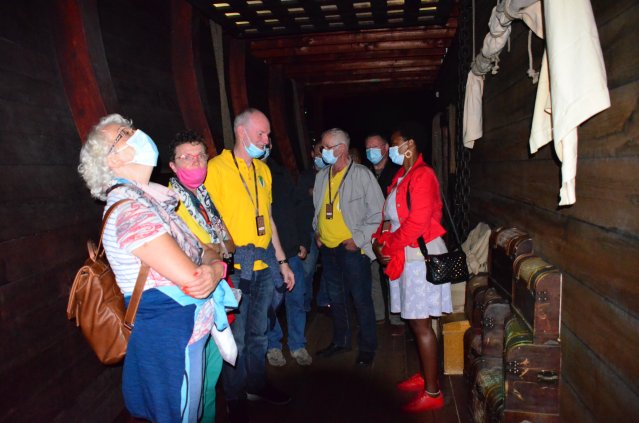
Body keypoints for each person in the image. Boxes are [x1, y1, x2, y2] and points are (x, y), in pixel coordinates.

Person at [78, 114, 228, 422]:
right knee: (179, 413)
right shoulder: (131, 211)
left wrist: (213, 263)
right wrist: (215, 268)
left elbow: (206, 249)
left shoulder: (149, 201)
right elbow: (194, 276)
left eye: (131, 127)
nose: (136, 133)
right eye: (124, 134)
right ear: (112, 160)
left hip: (180, 332)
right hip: (170, 337)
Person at [204, 108, 295, 419]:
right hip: (235, 269)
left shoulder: (263, 171)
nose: (267, 140)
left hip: (264, 267)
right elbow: (208, 224)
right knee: (237, 337)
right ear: (241, 132)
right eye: (261, 134)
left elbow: (268, 220)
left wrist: (282, 261)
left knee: (260, 334)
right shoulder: (215, 169)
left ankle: (257, 384)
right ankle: (235, 395)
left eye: (268, 134)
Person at [372, 122, 452, 412]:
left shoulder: (423, 175)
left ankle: (433, 392)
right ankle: (426, 375)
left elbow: (417, 222)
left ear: (410, 145)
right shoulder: (402, 176)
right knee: (417, 323)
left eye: (394, 144)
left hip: (420, 257)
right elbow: (390, 218)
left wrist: (390, 246)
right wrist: (378, 241)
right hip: (407, 256)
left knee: (421, 325)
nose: (391, 150)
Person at [167, 130, 237, 422]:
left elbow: (229, 244)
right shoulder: (170, 203)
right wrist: (214, 249)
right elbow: (196, 252)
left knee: (210, 376)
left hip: (216, 288)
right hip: (192, 299)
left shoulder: (205, 197)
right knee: (195, 385)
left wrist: (213, 249)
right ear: (173, 166)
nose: (195, 162)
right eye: (186, 157)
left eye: (200, 156)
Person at [313, 128, 384, 366]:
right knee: (337, 299)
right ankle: (341, 341)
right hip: (328, 248)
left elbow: (378, 213)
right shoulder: (322, 176)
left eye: (326, 147)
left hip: (352, 250)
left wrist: (359, 240)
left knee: (361, 299)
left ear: (341, 149)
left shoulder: (362, 175)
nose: (322, 151)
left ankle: (368, 347)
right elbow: (319, 209)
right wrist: (317, 231)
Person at [264, 153, 313, 367]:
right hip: (264, 254)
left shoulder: (283, 174)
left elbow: (300, 209)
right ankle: (273, 345)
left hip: (290, 249)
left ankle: (297, 344)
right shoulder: (244, 176)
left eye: (266, 140)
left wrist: (303, 240)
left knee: (296, 299)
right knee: (270, 304)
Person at [364, 133, 404, 332]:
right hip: (371, 231)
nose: (371, 151)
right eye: (368, 148)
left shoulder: (398, 171)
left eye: (375, 147)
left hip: (392, 231)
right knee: (373, 275)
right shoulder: (365, 173)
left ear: (386, 147)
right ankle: (378, 314)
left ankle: (396, 316)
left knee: (393, 274)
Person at [296, 142, 330, 312]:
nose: (321, 156)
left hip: (329, 229)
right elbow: (299, 201)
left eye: (325, 151)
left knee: (330, 266)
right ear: (312, 153)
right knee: (307, 269)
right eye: (319, 152)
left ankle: (324, 299)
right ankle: (305, 304)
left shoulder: (333, 174)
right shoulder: (305, 177)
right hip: (310, 229)